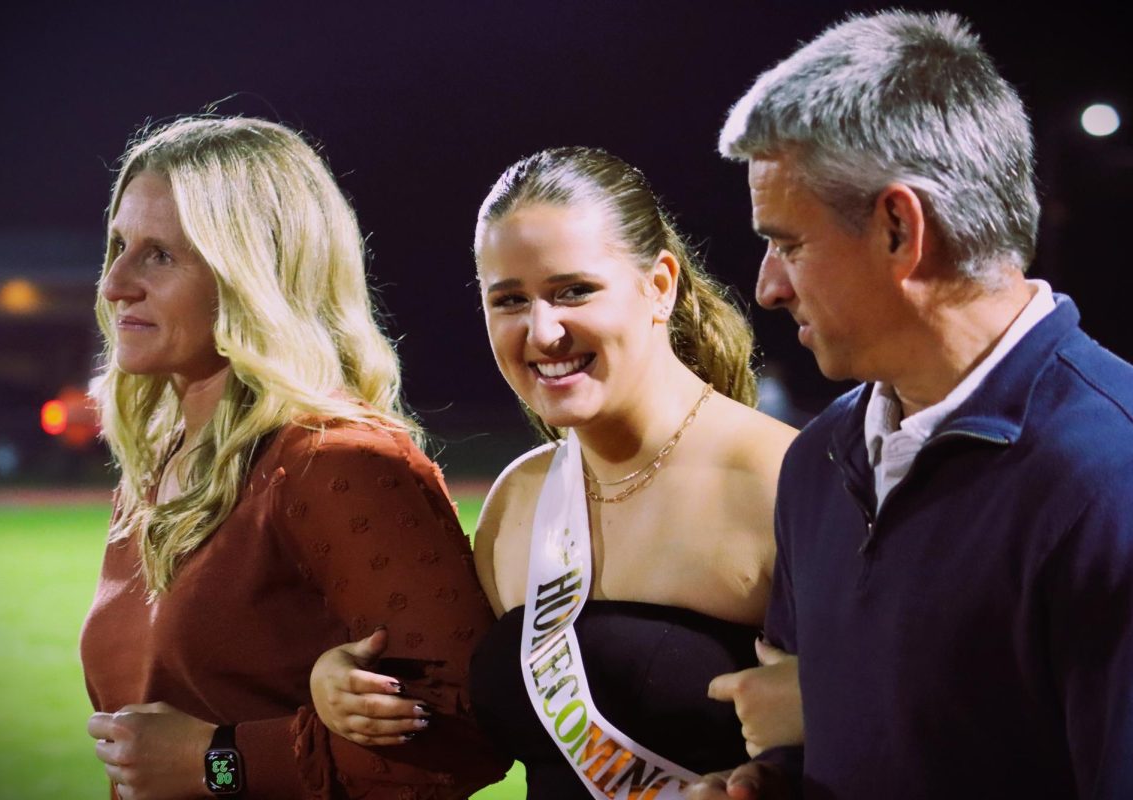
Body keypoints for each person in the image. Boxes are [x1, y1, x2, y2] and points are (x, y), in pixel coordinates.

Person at [689, 10, 1133, 800]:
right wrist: (771, 782)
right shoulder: (819, 460)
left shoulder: (1125, 479)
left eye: (789, 242)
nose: (769, 285)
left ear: (899, 229)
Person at [310, 147, 803, 798]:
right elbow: (463, 723)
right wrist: (335, 685)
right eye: (510, 300)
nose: (543, 333)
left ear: (659, 286)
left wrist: (778, 780)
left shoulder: (783, 479)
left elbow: (890, 732)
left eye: (574, 290)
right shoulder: (520, 498)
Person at [79, 116, 509, 800]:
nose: (115, 284)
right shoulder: (163, 458)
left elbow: (466, 732)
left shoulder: (338, 463)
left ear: (253, 273)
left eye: (159, 255)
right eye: (118, 246)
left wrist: (218, 760)